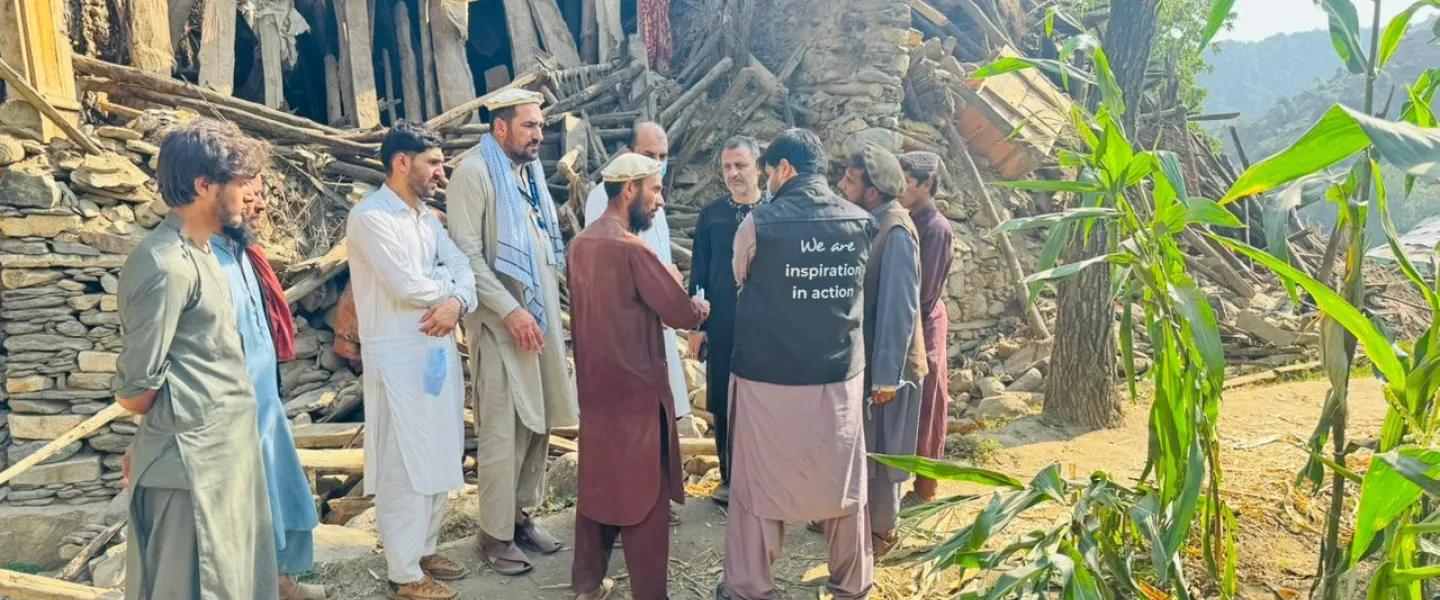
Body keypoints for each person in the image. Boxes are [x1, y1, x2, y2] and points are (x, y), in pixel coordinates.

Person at [112, 118, 279, 600]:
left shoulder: (201, 253)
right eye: (240, 185)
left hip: (223, 460)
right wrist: (156, 436)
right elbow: (136, 391)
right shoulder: (165, 265)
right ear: (204, 185)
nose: (250, 197)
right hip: (190, 472)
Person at [718, 128, 878, 600]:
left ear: (784, 169)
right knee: (845, 484)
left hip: (767, 378)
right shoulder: (861, 221)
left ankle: (750, 586)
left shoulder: (758, 225)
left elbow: (740, 274)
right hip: (838, 376)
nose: (764, 181)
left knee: (757, 487)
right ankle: (852, 584)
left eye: (766, 171)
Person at [446, 88, 579, 575]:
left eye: (540, 126)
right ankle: (493, 533)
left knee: (537, 423)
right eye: (528, 125)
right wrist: (508, 311)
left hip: (536, 322)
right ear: (499, 127)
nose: (539, 135)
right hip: (501, 327)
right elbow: (466, 256)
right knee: (503, 429)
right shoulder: (473, 174)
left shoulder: (529, 175)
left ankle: (520, 517)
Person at [568, 154, 712, 600]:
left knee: (598, 487)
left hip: (595, 391)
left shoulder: (580, 245)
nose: (660, 201)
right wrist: (698, 307)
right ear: (628, 189)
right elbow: (679, 311)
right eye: (654, 190)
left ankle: (587, 584)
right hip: (637, 394)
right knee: (644, 496)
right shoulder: (632, 249)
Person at [348, 120, 477, 600]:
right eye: (433, 163)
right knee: (404, 462)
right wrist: (452, 295)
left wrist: (457, 302)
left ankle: (424, 549)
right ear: (402, 163)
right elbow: (406, 285)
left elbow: (463, 266)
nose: (441, 172)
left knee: (441, 449)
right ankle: (403, 573)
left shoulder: (426, 218)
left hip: (436, 349)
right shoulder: (371, 218)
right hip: (399, 358)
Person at [213, 184, 327, 600]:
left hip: (264, 401)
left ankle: (280, 585)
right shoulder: (204, 260)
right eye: (250, 194)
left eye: (264, 193)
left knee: (276, 492)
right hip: (233, 412)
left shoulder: (241, 252)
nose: (261, 203)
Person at [836, 145, 928, 557]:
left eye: (850, 180)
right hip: (871, 361)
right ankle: (860, 522)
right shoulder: (873, 223)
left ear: (871, 191)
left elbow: (899, 310)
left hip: (890, 366)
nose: (841, 185)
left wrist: (888, 376)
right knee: (866, 446)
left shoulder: (895, 231)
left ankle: (882, 533)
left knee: (885, 452)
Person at [582, 122, 691, 421]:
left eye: (663, 156)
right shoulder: (603, 201)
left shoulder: (655, 201)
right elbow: (608, 271)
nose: (656, 163)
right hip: (628, 338)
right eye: (648, 154)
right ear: (628, 153)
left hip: (656, 328)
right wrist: (662, 281)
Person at [688, 135, 764, 506]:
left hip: (767, 326)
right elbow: (699, 273)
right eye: (727, 167)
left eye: (740, 165)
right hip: (722, 324)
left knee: (764, 399)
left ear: (758, 167)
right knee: (722, 399)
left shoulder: (774, 211)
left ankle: (764, 479)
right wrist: (698, 326)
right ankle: (730, 478)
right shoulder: (712, 215)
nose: (733, 173)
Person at [896, 151, 955, 506]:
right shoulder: (910, 219)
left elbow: (924, 292)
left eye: (906, 182)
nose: (900, 189)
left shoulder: (935, 228)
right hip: (910, 315)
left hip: (924, 319)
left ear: (926, 184)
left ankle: (926, 483)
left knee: (930, 392)